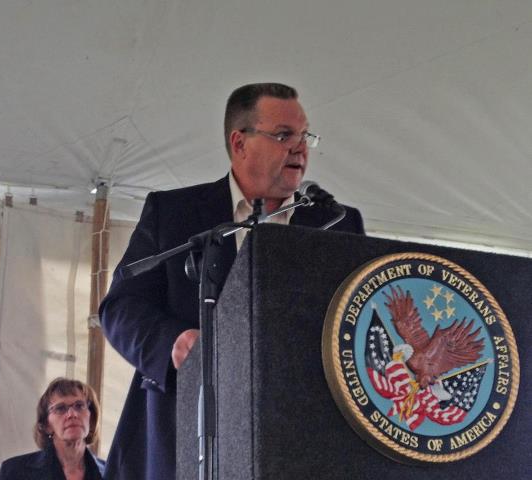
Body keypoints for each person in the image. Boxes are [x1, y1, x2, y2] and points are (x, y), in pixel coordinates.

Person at [99, 82, 365, 480]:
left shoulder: (336, 223)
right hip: (185, 435)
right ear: (240, 143)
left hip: (298, 442)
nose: (300, 147)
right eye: (283, 135)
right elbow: (121, 309)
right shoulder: (174, 213)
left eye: (304, 135)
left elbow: (360, 320)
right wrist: (173, 342)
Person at [0, 377, 105, 480]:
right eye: (60, 408)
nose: (72, 414)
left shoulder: (113, 473)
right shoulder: (14, 472)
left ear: (91, 418)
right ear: (46, 425)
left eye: (79, 406)